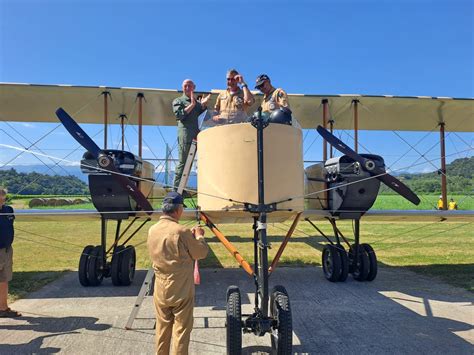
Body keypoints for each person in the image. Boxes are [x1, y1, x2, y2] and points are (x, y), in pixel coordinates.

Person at [147, 192, 209, 355]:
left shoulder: (152, 230)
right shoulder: (181, 231)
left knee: (162, 330)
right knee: (181, 332)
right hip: (181, 290)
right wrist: (200, 237)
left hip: (160, 289)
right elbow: (200, 253)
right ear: (178, 209)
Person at [172, 79, 211, 190]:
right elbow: (179, 115)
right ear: (182, 87)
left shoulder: (198, 104)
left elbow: (206, 118)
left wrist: (203, 106)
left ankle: (182, 189)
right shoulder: (178, 100)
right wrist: (193, 104)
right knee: (183, 163)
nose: (188, 88)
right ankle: (176, 191)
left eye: (190, 86)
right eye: (185, 86)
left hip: (198, 137)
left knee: (192, 165)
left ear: (194, 87)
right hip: (186, 136)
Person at [0, 187, 21, 318]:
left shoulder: (8, 210)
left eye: (3, 198)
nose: (1, 201)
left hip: (7, 250)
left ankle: (3, 308)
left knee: (4, 279)